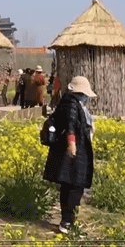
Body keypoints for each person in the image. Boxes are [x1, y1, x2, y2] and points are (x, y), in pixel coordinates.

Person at [43, 76, 95, 234]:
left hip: (71, 151)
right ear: (80, 93)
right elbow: (70, 124)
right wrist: (72, 144)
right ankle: (67, 222)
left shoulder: (70, 102)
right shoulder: (71, 103)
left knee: (69, 185)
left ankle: (67, 222)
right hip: (72, 152)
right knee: (74, 186)